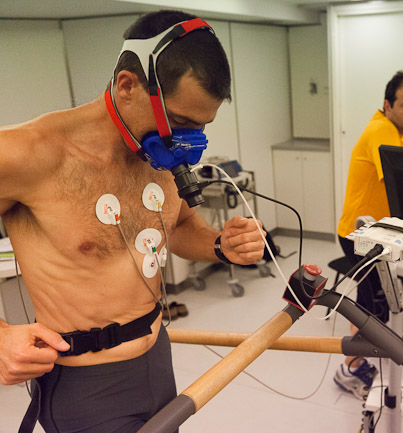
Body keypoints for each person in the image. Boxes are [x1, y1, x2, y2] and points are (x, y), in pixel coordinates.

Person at [0, 10, 265, 432]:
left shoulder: (158, 152)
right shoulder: (29, 154)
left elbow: (177, 226)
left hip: (158, 358)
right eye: (180, 122)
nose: (188, 141)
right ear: (127, 86)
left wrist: (219, 245)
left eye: (201, 126)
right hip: (86, 385)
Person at [333, 71, 403, 399]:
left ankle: (365, 358)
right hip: (359, 234)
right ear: (388, 105)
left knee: (378, 302)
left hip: (376, 233)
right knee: (372, 305)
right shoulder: (382, 130)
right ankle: (351, 368)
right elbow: (401, 188)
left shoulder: (399, 131)